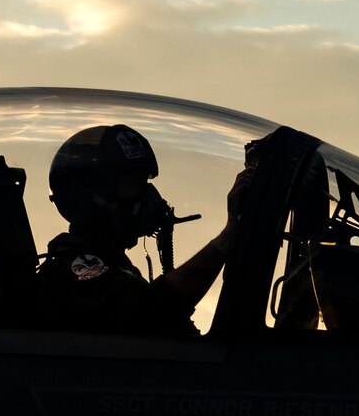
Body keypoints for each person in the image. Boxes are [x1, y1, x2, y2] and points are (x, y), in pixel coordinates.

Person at [36, 124, 252, 335]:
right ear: (91, 196)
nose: (149, 197)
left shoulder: (117, 271)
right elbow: (151, 312)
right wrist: (229, 235)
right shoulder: (74, 274)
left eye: (145, 184)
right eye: (132, 185)